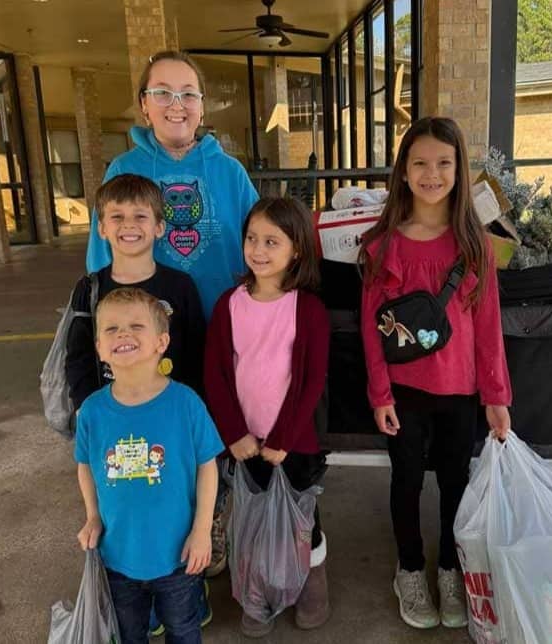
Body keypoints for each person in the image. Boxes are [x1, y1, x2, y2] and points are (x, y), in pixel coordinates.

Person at [85, 50, 259, 587]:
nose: (175, 104)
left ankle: (212, 528)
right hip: (144, 345)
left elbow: (258, 247)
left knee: (210, 439)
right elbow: (101, 262)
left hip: (215, 338)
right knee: (155, 449)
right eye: (162, 92)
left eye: (187, 93)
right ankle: (163, 551)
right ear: (144, 104)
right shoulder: (125, 172)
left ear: (202, 108)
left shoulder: (228, 173)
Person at [359, 117, 512, 630]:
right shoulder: (382, 246)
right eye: (419, 163)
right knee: (405, 482)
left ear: (459, 170)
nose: (431, 173)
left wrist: (495, 396)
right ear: (402, 172)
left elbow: (488, 327)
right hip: (403, 392)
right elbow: (371, 329)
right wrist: (380, 394)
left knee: (455, 482)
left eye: (443, 163)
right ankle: (408, 568)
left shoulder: (476, 245)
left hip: (460, 393)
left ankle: (449, 566)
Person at [203, 197, 331, 638]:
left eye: (271, 241)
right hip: (246, 441)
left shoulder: (307, 309)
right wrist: (235, 433)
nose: (258, 249)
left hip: (296, 442)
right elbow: (215, 375)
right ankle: (258, 590)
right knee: (254, 519)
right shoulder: (229, 305)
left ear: (296, 249)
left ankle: (311, 581)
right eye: (252, 239)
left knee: (303, 521)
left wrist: (284, 438)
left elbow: (312, 379)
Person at [75, 287, 223, 644]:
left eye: (136, 326)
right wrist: (93, 515)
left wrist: (202, 531)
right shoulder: (92, 411)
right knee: (128, 633)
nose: (122, 334)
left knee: (183, 629)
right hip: (117, 556)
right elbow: (85, 465)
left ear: (161, 342)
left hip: (178, 555)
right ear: (99, 347)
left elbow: (208, 466)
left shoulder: (186, 403)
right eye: (110, 329)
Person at [66, 174, 204, 411]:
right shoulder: (89, 290)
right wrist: (86, 409)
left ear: (159, 227)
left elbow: (197, 354)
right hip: (112, 415)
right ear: (101, 228)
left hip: (172, 412)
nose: (129, 225)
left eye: (140, 216)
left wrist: (192, 409)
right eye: (117, 217)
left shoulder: (180, 286)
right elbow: (79, 359)